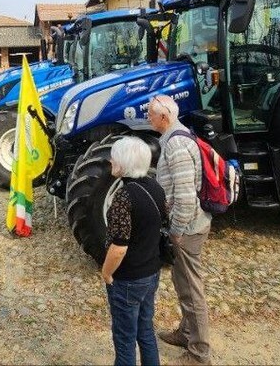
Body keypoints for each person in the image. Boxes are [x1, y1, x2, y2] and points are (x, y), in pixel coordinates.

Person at [148, 95, 211, 365]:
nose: (147, 118)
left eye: (150, 114)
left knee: (191, 289)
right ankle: (186, 333)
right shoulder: (175, 138)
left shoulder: (176, 145)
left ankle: (199, 353)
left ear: (164, 117)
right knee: (182, 283)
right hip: (187, 226)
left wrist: (176, 230)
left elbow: (185, 196)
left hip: (188, 228)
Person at [101, 136, 166, 366]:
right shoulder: (156, 187)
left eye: (114, 158)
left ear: (123, 163)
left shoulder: (124, 196)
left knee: (124, 339)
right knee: (145, 330)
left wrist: (106, 273)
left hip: (129, 278)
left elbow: (119, 247)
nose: (111, 162)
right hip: (151, 271)